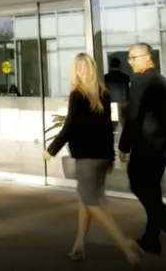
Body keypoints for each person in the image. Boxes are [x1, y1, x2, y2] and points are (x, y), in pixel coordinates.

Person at [43, 54, 142, 266]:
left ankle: (126, 247)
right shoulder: (103, 94)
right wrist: (111, 157)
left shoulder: (78, 95)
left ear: (77, 71)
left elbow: (69, 127)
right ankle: (78, 246)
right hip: (102, 157)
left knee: (92, 203)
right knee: (85, 200)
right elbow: (108, 128)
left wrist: (51, 149)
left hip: (87, 158)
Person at [118, 43, 166, 256]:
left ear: (148, 58)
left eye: (134, 57)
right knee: (152, 189)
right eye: (129, 58)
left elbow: (134, 117)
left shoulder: (140, 82)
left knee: (138, 184)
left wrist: (124, 147)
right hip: (165, 146)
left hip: (147, 146)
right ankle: (152, 239)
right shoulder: (165, 83)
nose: (130, 61)